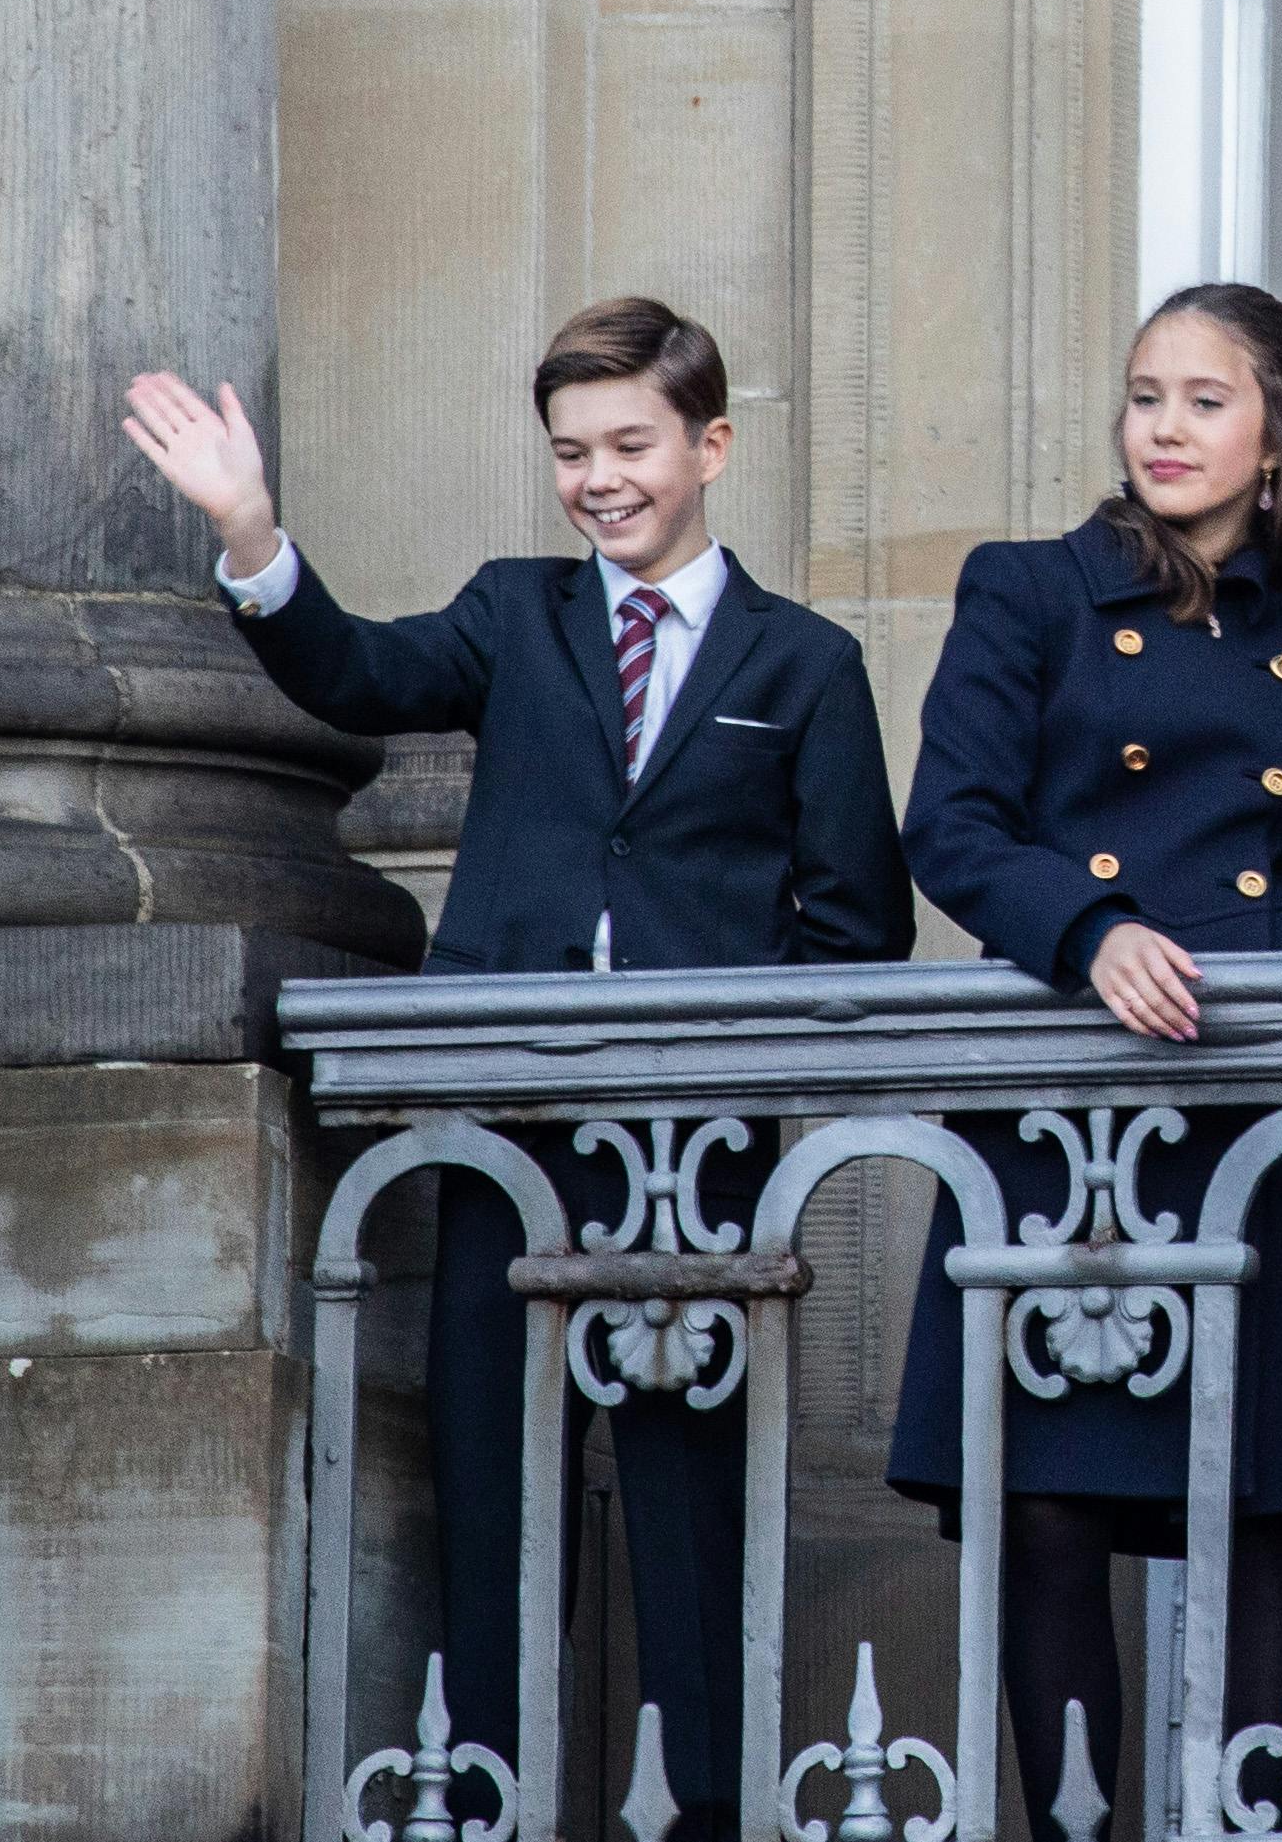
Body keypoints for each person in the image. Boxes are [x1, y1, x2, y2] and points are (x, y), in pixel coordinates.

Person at [118, 299, 915, 1837]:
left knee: (693, 1500)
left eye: (629, 445)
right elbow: (353, 672)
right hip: (503, 1125)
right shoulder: (517, 611)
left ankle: (707, 1810)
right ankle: (479, 1802)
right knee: (497, 1484)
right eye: (569, 453)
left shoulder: (803, 660)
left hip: (693, 1146)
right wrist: (251, 534)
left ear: (711, 445)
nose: (598, 480)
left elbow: (857, 921)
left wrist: (735, 1062)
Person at [881, 283, 1282, 1842]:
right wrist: (1088, 925)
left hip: (1268, 1110)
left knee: (1254, 1504)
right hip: (1068, 1103)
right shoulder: (1032, 587)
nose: (1162, 430)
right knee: (1045, 1513)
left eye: (1203, 400)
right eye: (1142, 397)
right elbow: (952, 825)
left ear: (1275, 437)